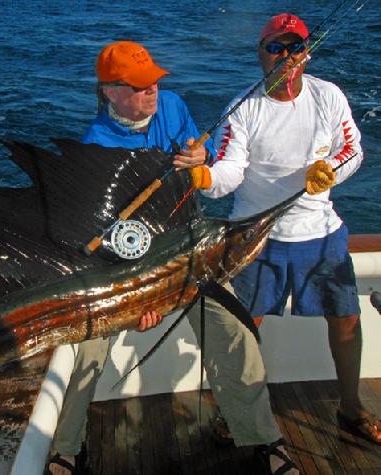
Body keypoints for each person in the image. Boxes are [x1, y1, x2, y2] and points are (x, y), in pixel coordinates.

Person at [47, 40, 297, 475]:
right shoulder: (95, 147)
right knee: (85, 349)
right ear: (110, 91)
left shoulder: (174, 107)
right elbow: (103, 238)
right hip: (128, 270)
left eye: (154, 84)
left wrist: (204, 156)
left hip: (190, 254)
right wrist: (141, 300)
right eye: (140, 87)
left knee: (236, 333)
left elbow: (209, 160)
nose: (152, 93)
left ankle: (264, 438)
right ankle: (68, 447)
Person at [190, 13, 379, 446]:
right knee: (245, 328)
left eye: (294, 48)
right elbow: (229, 174)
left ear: (306, 53)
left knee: (347, 319)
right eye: (275, 47)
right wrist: (204, 177)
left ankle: (351, 408)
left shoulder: (328, 95)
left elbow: (353, 149)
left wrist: (329, 169)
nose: (286, 56)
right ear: (260, 54)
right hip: (259, 236)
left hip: (321, 230)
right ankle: (236, 413)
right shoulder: (244, 109)